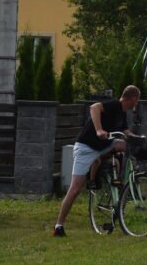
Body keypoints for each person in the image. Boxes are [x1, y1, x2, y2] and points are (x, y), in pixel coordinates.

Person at [54, 85, 142, 237]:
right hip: (86, 148)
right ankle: (58, 226)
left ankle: (119, 183)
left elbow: (126, 133)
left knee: (127, 145)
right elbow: (94, 107)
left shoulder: (123, 114)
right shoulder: (114, 105)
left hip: (104, 146)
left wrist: (139, 139)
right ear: (133, 98)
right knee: (75, 189)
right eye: (137, 100)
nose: (137, 103)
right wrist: (99, 130)